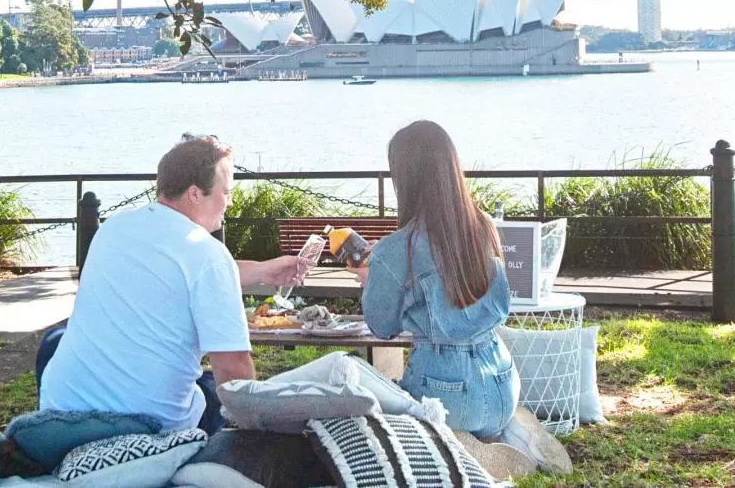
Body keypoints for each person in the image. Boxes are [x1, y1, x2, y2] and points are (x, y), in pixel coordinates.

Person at [37, 134, 306, 433]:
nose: (229, 201)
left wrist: (262, 271)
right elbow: (234, 373)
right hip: (147, 428)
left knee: (56, 339)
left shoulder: (115, 229)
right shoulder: (207, 255)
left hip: (62, 414)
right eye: (226, 191)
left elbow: (175, 273)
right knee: (216, 392)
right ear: (194, 194)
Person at [348, 120, 517, 439]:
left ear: (405, 178)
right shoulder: (484, 226)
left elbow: (382, 327)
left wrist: (372, 279)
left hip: (444, 397)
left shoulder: (398, 248)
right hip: (502, 386)